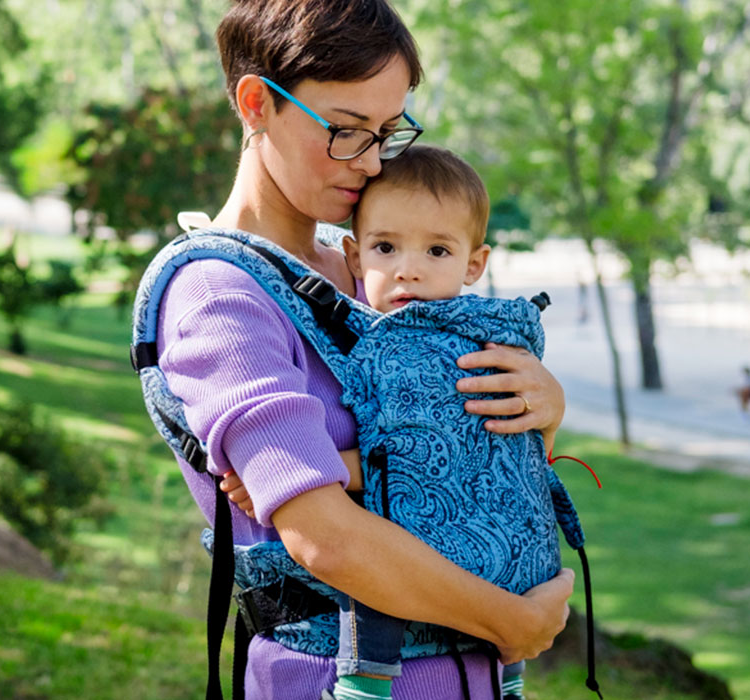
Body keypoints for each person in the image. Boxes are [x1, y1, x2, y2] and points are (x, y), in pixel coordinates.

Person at [152, 1, 575, 697]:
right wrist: (512, 623)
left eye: (387, 132)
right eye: (347, 132)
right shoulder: (220, 298)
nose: (375, 161)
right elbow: (325, 539)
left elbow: (474, 448)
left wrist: (544, 403)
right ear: (257, 103)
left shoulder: (375, 273)